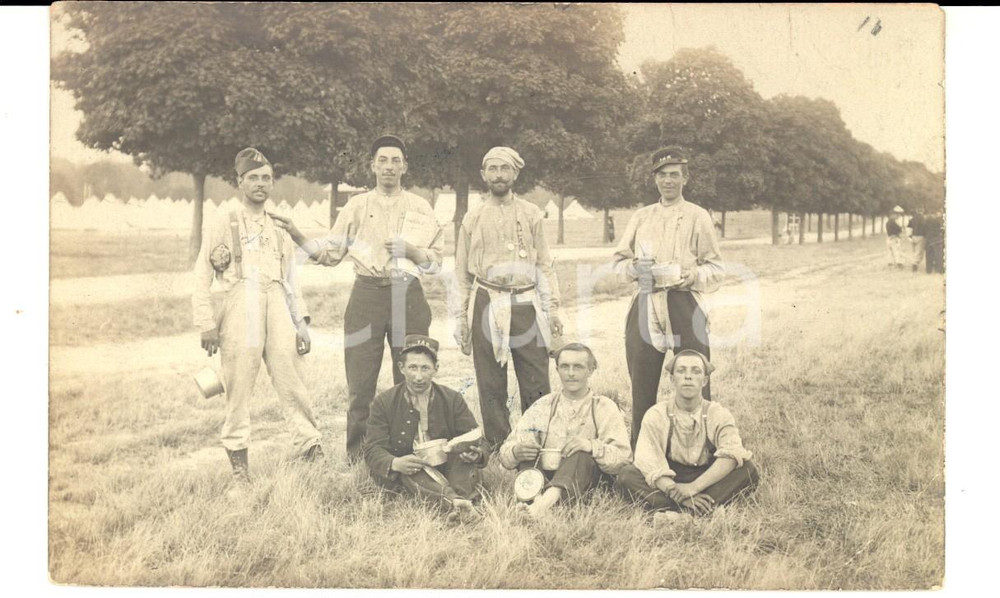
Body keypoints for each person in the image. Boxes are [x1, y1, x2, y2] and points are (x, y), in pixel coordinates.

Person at [270, 135, 444, 461]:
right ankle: (360, 459)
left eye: (395, 160)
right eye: (382, 160)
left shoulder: (421, 207)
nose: (389, 167)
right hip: (366, 295)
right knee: (360, 384)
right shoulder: (357, 206)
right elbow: (330, 254)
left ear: (405, 166)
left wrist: (414, 251)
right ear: (372, 165)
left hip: (407, 295)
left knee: (410, 378)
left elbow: (437, 261)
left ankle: (407, 456)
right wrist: (297, 234)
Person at [192, 148, 324, 482]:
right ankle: (239, 467)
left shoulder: (280, 224)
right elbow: (201, 274)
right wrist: (206, 322)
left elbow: (292, 277)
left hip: (277, 299)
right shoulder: (224, 220)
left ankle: (309, 447)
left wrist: (301, 322)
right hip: (241, 301)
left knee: (291, 374)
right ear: (239, 182)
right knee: (238, 382)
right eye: (253, 178)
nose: (260, 184)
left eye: (266, 178)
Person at [613, 147, 724, 449]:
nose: (668, 181)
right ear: (655, 180)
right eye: (662, 175)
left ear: (685, 178)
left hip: (684, 302)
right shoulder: (641, 216)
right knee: (642, 383)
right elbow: (618, 264)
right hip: (646, 299)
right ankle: (643, 454)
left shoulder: (698, 216)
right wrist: (635, 268)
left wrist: (692, 276)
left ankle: (700, 450)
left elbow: (716, 268)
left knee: (694, 381)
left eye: (674, 175)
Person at [454, 147, 564, 452]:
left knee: (535, 378)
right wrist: (461, 318)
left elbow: (544, 264)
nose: (498, 175)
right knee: (490, 381)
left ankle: (536, 443)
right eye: (492, 169)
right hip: (486, 300)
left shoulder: (531, 214)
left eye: (504, 169)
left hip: (525, 301)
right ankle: (501, 446)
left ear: (515, 174)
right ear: (483, 175)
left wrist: (552, 309)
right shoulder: (472, 218)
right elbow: (461, 273)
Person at [615, 350, 759, 518]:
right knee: (627, 475)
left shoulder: (717, 413)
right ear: (672, 379)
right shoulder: (657, 414)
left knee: (748, 470)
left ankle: (674, 513)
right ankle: (696, 509)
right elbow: (649, 460)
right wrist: (679, 494)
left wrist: (693, 488)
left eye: (695, 371)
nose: (688, 377)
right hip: (670, 477)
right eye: (681, 371)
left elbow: (732, 453)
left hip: (705, 477)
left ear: (704, 380)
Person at [498, 343, 631, 519]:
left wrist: (591, 446)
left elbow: (623, 458)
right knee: (528, 455)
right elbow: (505, 455)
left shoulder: (603, 407)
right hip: (546, 477)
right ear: (557, 369)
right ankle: (542, 502)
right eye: (565, 367)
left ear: (590, 370)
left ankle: (542, 506)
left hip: (585, 483)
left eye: (578, 367)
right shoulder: (544, 405)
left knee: (579, 454)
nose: (570, 373)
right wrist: (517, 451)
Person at [364, 335, 486, 521]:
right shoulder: (384, 402)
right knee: (410, 473)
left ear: (436, 369)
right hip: (411, 469)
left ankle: (455, 504)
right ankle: (458, 503)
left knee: (464, 463)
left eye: (425, 368)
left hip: (447, 466)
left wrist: (476, 454)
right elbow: (372, 448)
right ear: (401, 368)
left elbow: (477, 438)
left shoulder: (452, 399)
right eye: (412, 367)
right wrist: (395, 463)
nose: (418, 376)